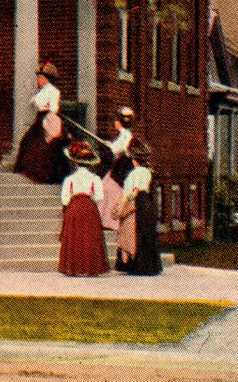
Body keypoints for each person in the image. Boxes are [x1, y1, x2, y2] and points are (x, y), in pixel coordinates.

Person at [57, 141, 109, 276]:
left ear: (75, 162)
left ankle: (74, 268)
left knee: (75, 237)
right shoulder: (95, 178)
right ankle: (90, 268)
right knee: (89, 238)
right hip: (89, 207)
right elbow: (99, 196)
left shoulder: (70, 179)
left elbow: (65, 198)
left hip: (74, 207)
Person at [13, 61, 68, 183]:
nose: (38, 80)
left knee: (45, 145)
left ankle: (45, 174)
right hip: (40, 117)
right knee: (28, 142)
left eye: (40, 77)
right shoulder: (42, 91)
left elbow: (53, 108)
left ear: (46, 78)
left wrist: (49, 121)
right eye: (38, 77)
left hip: (48, 118)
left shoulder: (53, 91)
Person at [117, 142, 161, 275]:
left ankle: (137, 266)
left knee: (136, 233)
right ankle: (150, 265)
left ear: (134, 160)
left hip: (138, 203)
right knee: (148, 233)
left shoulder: (133, 174)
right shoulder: (148, 172)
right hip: (148, 201)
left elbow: (130, 193)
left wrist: (121, 209)